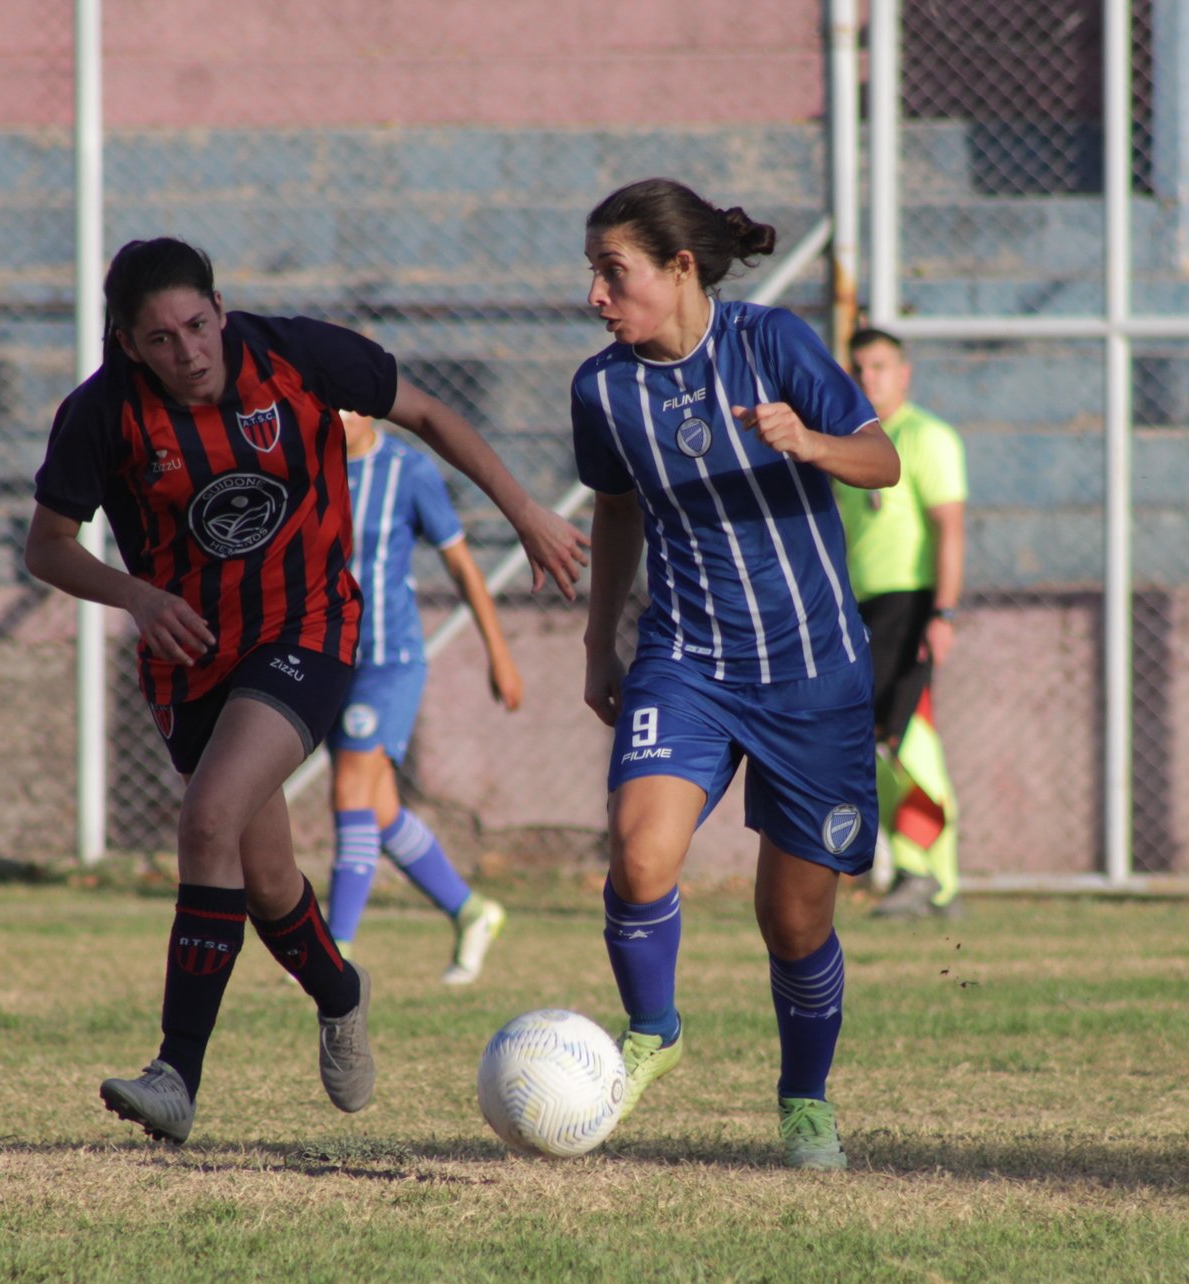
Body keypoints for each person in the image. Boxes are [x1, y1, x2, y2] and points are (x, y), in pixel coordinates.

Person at [26, 237, 586, 1144]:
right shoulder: (101, 414)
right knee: (266, 877)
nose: (188, 352)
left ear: (221, 305)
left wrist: (524, 511)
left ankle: (176, 1074)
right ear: (127, 343)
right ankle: (340, 988)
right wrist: (135, 594)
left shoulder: (297, 356)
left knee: (208, 816)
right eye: (160, 339)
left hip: (309, 628)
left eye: (198, 325)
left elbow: (431, 414)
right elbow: (46, 546)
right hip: (189, 656)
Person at [571, 179, 900, 1171]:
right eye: (591, 272)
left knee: (792, 921)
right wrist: (600, 645)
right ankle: (653, 1034)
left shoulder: (773, 345)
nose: (595, 294)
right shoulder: (601, 387)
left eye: (612, 272)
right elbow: (618, 510)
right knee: (638, 856)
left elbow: (879, 463)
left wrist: (810, 442)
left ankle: (803, 1101)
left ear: (679, 270)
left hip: (810, 675)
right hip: (688, 662)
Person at [325, 408, 517, 985]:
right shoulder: (309, 468)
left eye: (348, 402)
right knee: (376, 811)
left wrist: (499, 653)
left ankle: (334, 952)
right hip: (328, 660)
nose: (338, 416)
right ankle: (471, 911)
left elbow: (460, 564)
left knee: (349, 792)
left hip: (389, 661)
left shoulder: (410, 471)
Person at [836, 327, 967, 919]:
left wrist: (943, 611)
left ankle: (927, 874)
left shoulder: (926, 437)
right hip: (861, 610)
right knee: (876, 740)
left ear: (904, 373)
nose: (869, 378)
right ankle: (926, 876)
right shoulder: (849, 444)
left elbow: (950, 528)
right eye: (859, 367)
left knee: (909, 736)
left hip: (910, 605)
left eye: (881, 366)